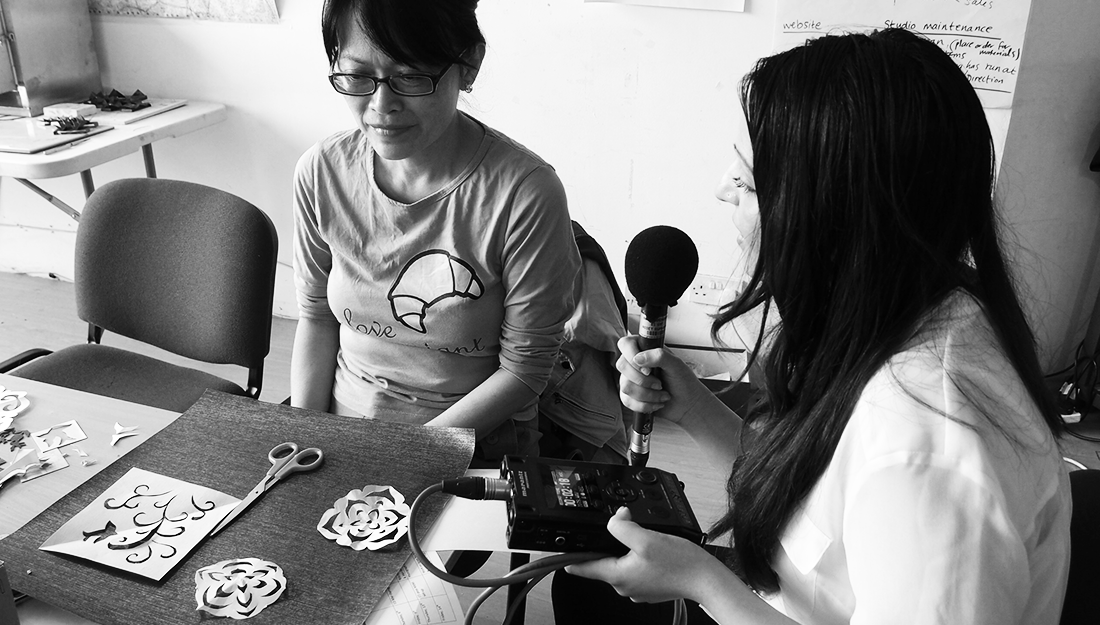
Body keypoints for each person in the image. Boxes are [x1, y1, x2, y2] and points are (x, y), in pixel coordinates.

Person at [568, 28, 1072, 624]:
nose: (721, 195)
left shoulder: (925, 453)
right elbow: (814, 509)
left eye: (745, 182)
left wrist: (700, 579)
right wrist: (696, 409)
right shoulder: (904, 311)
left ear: (833, 212)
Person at [291, 0, 581, 461]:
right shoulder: (322, 170)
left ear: (469, 65)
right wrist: (306, 436)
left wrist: (406, 455)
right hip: (339, 430)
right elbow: (316, 316)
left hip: (471, 444)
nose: (381, 106)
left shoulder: (524, 193)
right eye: (358, 76)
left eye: (410, 76)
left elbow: (524, 371)